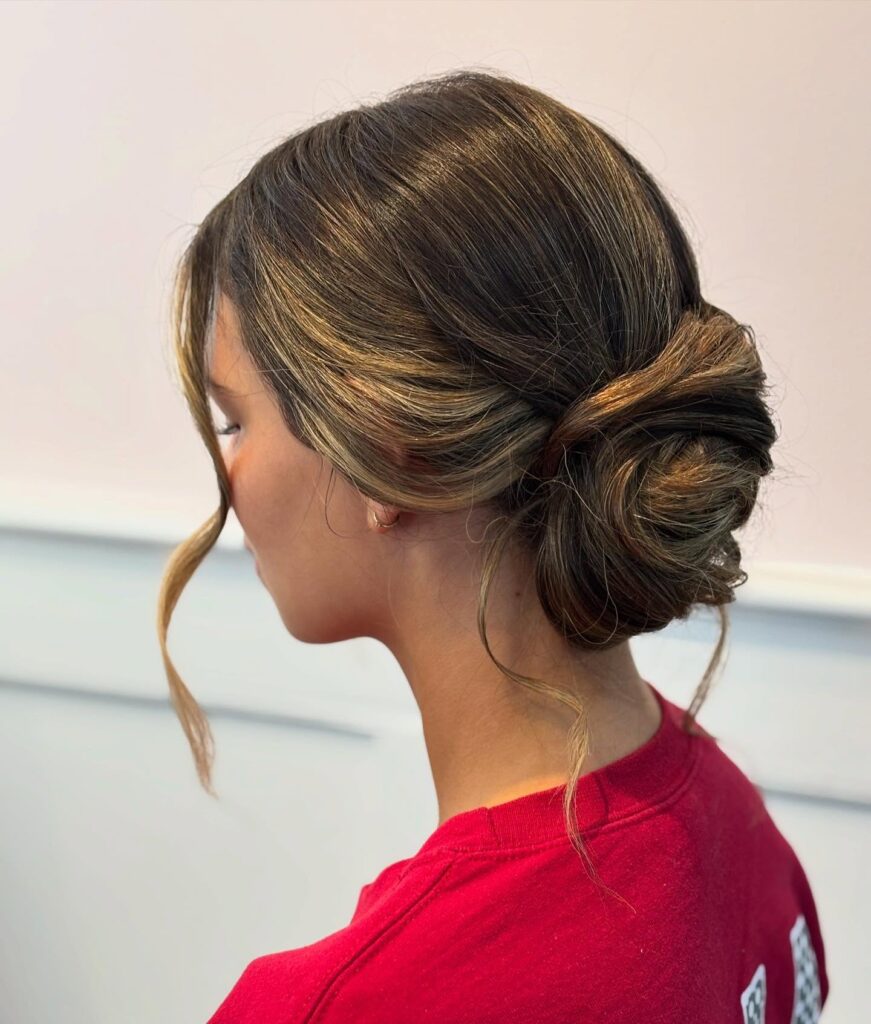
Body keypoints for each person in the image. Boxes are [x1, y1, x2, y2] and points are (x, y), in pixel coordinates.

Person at [157, 68, 829, 1022]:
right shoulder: (725, 816)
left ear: (388, 453)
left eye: (234, 423)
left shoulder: (358, 1005)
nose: (228, 479)